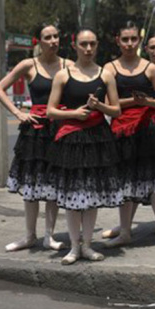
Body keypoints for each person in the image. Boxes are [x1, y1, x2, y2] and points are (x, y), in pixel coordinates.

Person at [101, 21, 155, 250]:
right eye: (125, 39)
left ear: (139, 41)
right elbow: (107, 103)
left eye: (133, 39)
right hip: (122, 130)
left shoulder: (150, 68)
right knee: (126, 182)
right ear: (117, 41)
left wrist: (147, 102)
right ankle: (125, 232)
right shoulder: (109, 69)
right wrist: (134, 101)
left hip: (149, 130)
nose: (130, 44)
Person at [45, 28, 123, 265]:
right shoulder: (63, 75)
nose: (88, 49)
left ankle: (87, 246)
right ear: (75, 46)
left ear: (97, 45)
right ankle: (74, 246)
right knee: (71, 195)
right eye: (83, 44)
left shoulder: (106, 74)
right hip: (71, 139)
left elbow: (117, 110)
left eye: (92, 44)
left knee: (92, 194)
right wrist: (75, 113)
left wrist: (99, 106)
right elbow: (50, 111)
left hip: (98, 138)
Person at [0, 23, 67, 252]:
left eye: (56, 36)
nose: (53, 41)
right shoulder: (29, 64)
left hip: (59, 129)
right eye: (48, 37)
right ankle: (29, 236)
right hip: (34, 131)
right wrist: (17, 112)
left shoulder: (68, 65)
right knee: (32, 186)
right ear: (39, 41)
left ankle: (49, 236)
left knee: (54, 184)